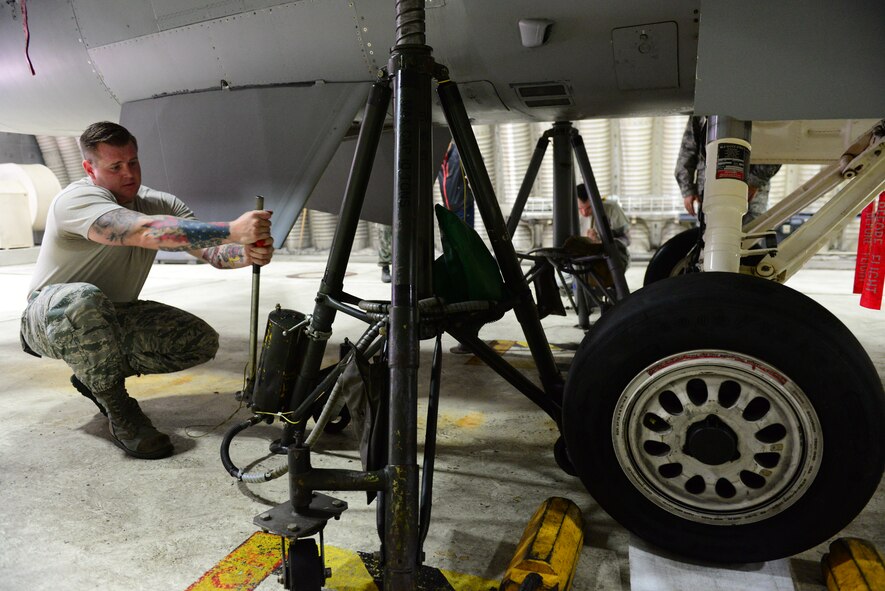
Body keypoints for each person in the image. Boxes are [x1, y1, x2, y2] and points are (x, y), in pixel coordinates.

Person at [19, 121, 274, 460]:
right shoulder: (76, 200)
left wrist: (245, 253)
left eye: (133, 162)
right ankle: (119, 409)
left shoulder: (159, 203)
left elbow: (212, 252)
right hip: (50, 316)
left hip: (112, 314)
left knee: (198, 339)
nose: (129, 173)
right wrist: (231, 229)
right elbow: (139, 232)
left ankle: (93, 374)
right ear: (89, 168)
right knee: (82, 299)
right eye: (116, 166)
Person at [675, 115, 781, 224]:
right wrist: (687, 189)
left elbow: (776, 145)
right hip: (710, 191)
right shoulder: (705, 108)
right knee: (710, 234)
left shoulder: (764, 107)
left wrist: (755, 181)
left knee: (750, 235)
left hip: (751, 195)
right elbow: (688, 149)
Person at [569, 182, 631, 272]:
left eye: (589, 207)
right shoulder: (571, 211)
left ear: (596, 201)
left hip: (610, 260)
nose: (584, 213)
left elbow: (627, 240)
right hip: (581, 260)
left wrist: (601, 242)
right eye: (580, 208)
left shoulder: (611, 209)